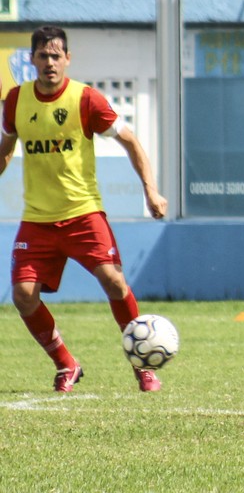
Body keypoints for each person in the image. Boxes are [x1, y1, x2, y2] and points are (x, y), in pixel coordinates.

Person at [0, 25, 168, 392]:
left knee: (113, 280)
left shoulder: (85, 99)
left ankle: (143, 365)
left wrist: (151, 192)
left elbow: (130, 142)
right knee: (23, 296)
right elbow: (6, 147)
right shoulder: (14, 101)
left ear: (67, 59)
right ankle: (66, 364)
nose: (49, 63)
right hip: (38, 219)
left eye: (56, 56)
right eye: (43, 56)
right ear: (32, 60)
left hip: (83, 213)